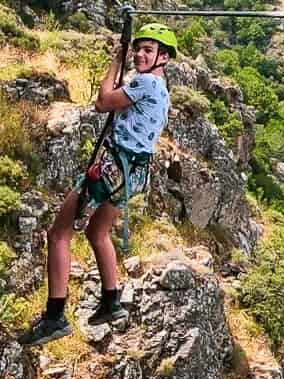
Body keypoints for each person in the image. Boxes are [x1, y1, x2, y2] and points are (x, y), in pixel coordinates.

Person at [18, 22, 178, 347]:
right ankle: (111, 301)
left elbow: (103, 102)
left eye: (148, 50)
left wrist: (116, 62)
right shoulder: (162, 91)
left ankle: (54, 317)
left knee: (58, 233)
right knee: (96, 232)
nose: (139, 54)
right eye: (138, 48)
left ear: (164, 58)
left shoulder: (147, 82)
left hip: (110, 167)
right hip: (133, 172)